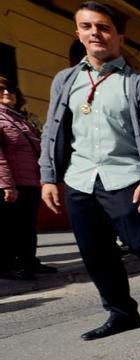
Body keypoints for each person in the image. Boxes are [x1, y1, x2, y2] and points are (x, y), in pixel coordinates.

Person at [39, 2, 140, 340]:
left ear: (118, 36)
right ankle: (121, 312)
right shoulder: (65, 81)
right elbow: (52, 132)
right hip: (79, 179)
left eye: (102, 27)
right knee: (96, 252)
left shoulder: (139, 85)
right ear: (79, 34)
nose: (95, 33)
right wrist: (48, 177)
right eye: (87, 27)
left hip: (125, 178)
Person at [0, 75, 56, 280]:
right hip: (11, 184)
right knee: (9, 227)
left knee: (27, 225)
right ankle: (6, 266)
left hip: (30, 182)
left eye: (11, 90)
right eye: (1, 90)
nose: (7, 93)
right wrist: (7, 184)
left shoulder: (21, 120)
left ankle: (28, 262)